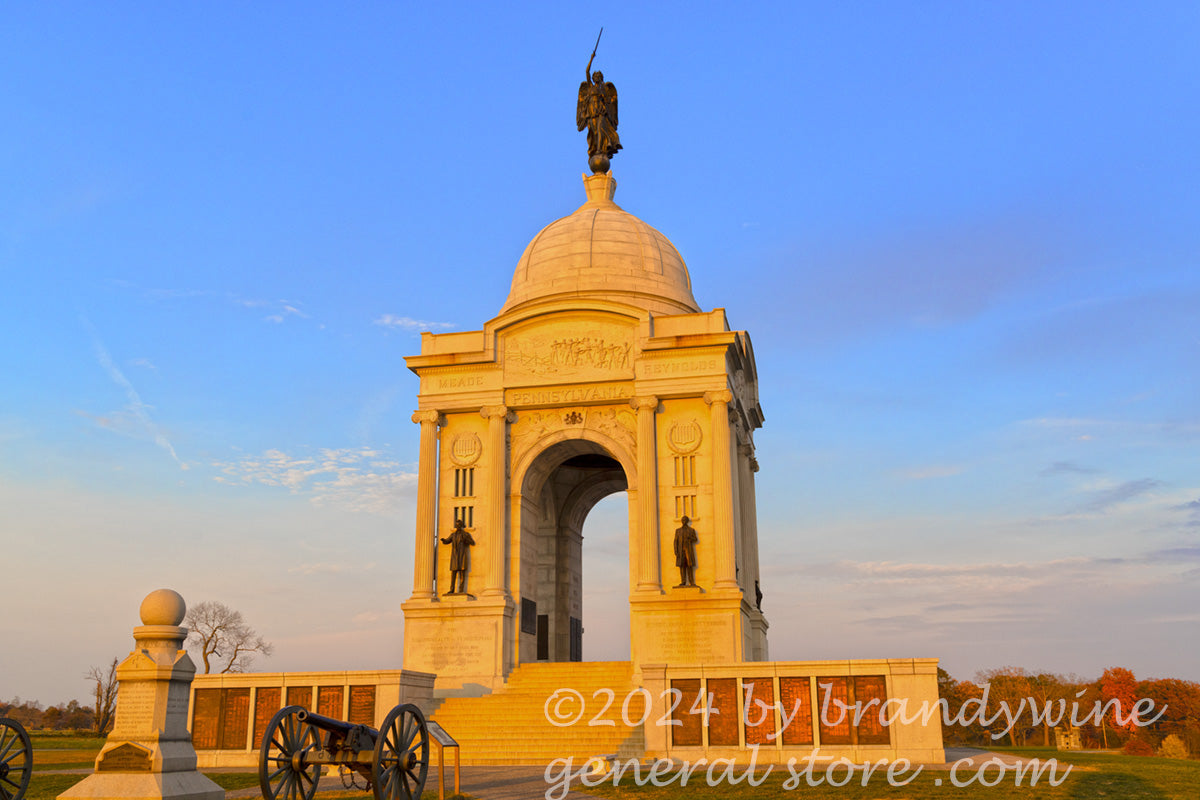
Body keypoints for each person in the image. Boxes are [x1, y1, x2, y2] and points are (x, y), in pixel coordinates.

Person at [577, 68, 621, 163]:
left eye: (598, 76)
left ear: (601, 78)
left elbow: (609, 102)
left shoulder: (603, 89)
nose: (597, 78)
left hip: (601, 111)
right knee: (594, 132)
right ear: (593, 78)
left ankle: (600, 149)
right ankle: (596, 147)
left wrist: (603, 98)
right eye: (595, 76)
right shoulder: (590, 87)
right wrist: (592, 58)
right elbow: (587, 71)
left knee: (601, 129)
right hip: (592, 112)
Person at [441, 519, 476, 594]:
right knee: (453, 574)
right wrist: (444, 540)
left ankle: (461, 590)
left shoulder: (465, 534)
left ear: (461, 526)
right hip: (455, 556)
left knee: (462, 574)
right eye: (457, 525)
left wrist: (466, 539)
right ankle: (452, 589)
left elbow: (472, 543)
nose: (458, 526)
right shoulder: (453, 535)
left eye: (459, 525)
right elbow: (447, 541)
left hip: (462, 556)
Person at [674, 516, 698, 587]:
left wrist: (690, 538)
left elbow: (695, 539)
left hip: (688, 550)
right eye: (683, 520)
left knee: (689, 566)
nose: (683, 521)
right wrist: (676, 550)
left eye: (685, 520)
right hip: (681, 550)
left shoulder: (691, 530)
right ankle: (683, 581)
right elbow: (675, 541)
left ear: (687, 521)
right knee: (682, 566)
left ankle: (691, 581)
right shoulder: (678, 531)